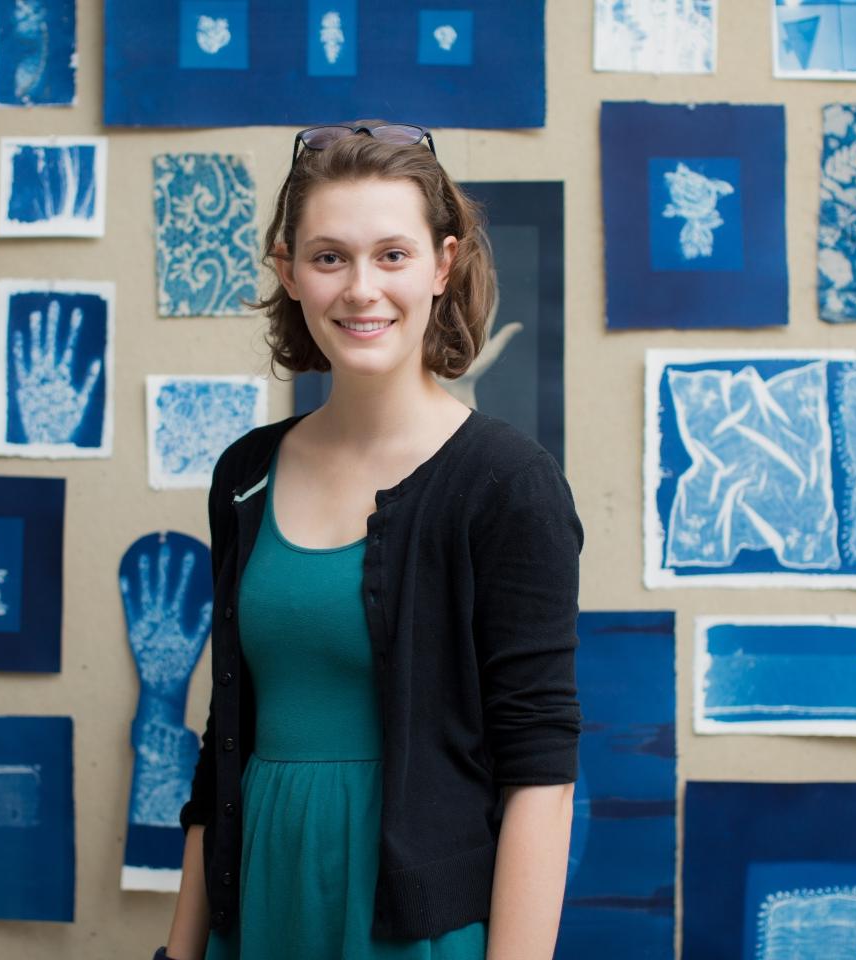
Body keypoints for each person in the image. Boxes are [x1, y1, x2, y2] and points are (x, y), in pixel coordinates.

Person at [157, 121, 583, 960]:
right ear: (289, 271)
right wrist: (179, 951)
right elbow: (226, 738)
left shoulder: (507, 483)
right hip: (260, 911)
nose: (361, 290)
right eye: (329, 258)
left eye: (392, 255)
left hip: (415, 926)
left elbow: (541, 772)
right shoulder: (243, 473)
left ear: (442, 265)